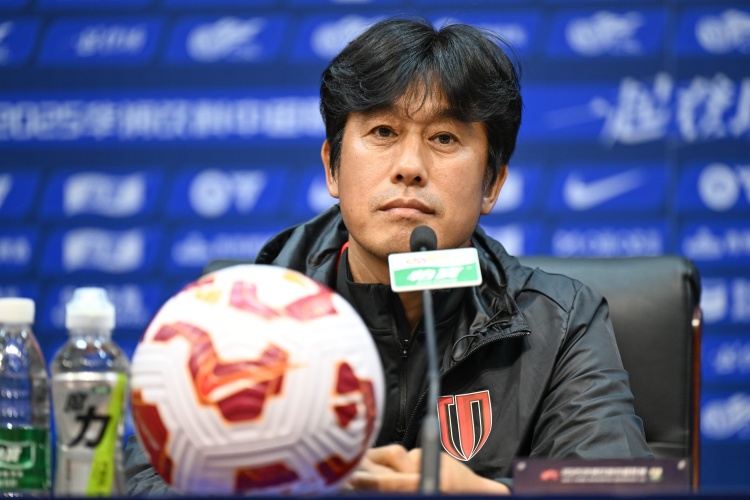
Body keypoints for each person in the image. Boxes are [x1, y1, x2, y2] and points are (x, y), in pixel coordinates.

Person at [124, 16, 652, 495]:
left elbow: (619, 485)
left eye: (444, 137)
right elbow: (145, 481)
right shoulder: (231, 315)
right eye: (383, 132)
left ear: (492, 184)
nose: (409, 166)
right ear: (332, 167)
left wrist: (488, 496)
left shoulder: (559, 321)